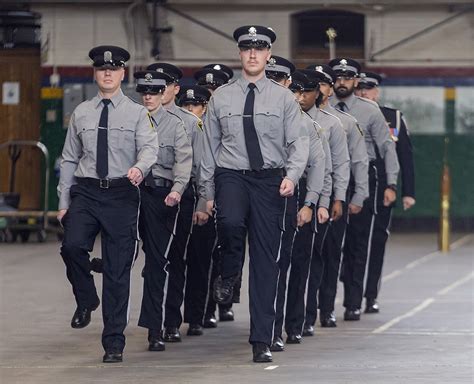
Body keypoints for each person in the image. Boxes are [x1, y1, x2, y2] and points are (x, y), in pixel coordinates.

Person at [199, 25, 309, 363]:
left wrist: (292, 176)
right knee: (229, 223)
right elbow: (208, 147)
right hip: (232, 175)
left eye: (259, 49)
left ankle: (261, 339)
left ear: (267, 55)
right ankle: (230, 271)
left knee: (266, 262)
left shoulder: (283, 99)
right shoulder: (221, 96)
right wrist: (207, 193)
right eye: (247, 48)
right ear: (240, 53)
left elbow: (299, 142)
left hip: (270, 181)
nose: (252, 54)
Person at [57, 45, 157, 363]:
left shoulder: (137, 113)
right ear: (95, 73)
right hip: (86, 192)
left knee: (117, 271)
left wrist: (139, 168)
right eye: (102, 69)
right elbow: (70, 158)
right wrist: (63, 201)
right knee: (72, 247)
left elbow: (149, 149)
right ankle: (86, 298)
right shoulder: (82, 113)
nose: (108, 73)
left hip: (121, 193)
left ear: (122, 74)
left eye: (113, 69)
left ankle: (113, 341)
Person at [260, 59, 327, 352]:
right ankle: (269, 329)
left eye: (280, 78)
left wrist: (310, 203)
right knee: (269, 267)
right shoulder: (256, 117)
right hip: (263, 194)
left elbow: (317, 167)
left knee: (295, 264)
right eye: (269, 77)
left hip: (295, 198)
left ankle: (293, 324)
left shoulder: (305, 124)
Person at [328, 58, 400, 320]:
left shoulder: (370, 111)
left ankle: (353, 303)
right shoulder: (324, 108)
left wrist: (391, 183)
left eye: (348, 78)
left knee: (359, 243)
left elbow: (387, 148)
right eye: (338, 77)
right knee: (332, 244)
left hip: (362, 177)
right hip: (332, 176)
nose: (343, 82)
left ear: (356, 81)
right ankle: (325, 305)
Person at [285, 69, 350, 343]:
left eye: (307, 92)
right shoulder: (281, 121)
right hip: (281, 193)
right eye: (295, 92)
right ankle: (276, 321)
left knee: (309, 260)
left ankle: (305, 318)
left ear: (316, 94)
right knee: (277, 262)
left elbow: (330, 167)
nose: (300, 98)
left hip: (310, 198)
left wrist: (328, 201)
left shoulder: (328, 124)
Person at [302, 64, 369, 330]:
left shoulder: (342, 122)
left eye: (322, 83)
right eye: (312, 83)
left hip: (331, 197)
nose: (318, 88)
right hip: (302, 194)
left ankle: (326, 308)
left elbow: (347, 164)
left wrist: (342, 198)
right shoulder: (294, 117)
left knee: (329, 254)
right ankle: (302, 313)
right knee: (304, 257)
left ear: (328, 89)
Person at [133, 70, 193, 352]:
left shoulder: (177, 124)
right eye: (144, 92)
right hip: (129, 195)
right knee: (118, 256)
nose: (149, 96)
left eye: (154, 92)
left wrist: (177, 190)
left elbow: (183, 162)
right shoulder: (129, 120)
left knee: (157, 262)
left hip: (160, 195)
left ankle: (155, 328)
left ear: (163, 94)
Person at [146, 62, 203, 342]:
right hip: (144, 195)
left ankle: (170, 320)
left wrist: (204, 201)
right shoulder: (137, 118)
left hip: (180, 196)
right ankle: (154, 320)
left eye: (164, 85)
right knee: (152, 261)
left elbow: (201, 166)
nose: (157, 91)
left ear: (175, 89)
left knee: (176, 259)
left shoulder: (191, 123)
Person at [356, 71, 416, 313]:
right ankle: (350, 286)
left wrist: (407, 192)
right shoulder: (344, 113)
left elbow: (405, 157)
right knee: (350, 243)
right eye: (359, 87)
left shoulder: (393, 118)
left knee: (377, 241)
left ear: (377, 92)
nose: (363, 92)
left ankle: (370, 295)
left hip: (383, 189)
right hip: (352, 187)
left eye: (368, 88)